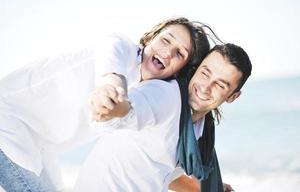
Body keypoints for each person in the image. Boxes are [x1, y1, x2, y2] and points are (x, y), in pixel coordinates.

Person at [0, 17, 211, 191]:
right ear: (151, 38)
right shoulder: (121, 49)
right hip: (7, 123)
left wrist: (208, 188)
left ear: (181, 71)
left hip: (40, 148)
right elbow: (111, 63)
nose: (168, 52)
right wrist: (110, 83)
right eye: (166, 40)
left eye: (180, 53)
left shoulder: (148, 100)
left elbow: (158, 168)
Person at [74, 43, 252, 192]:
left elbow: (163, 171)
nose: (205, 87)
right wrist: (112, 105)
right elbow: (131, 109)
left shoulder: (198, 128)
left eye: (220, 85)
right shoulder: (165, 95)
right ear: (197, 69)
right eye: (205, 73)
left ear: (232, 97)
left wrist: (208, 188)